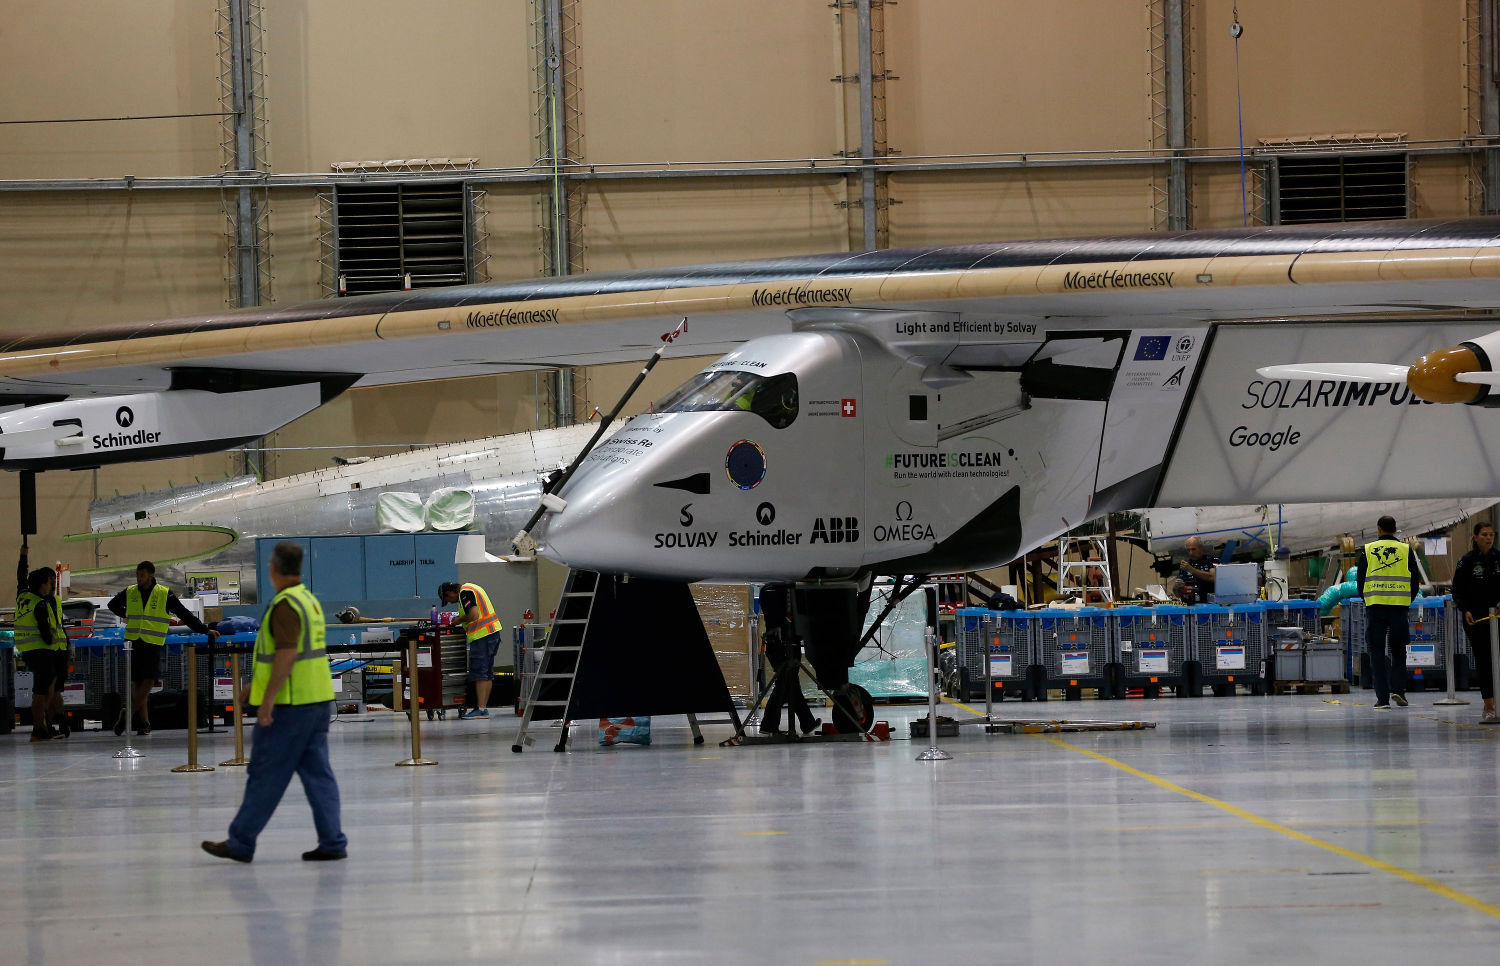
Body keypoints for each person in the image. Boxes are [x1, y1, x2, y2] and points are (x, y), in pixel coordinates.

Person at [202, 542, 345, 863]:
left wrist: (265, 702)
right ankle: (333, 841)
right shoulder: (308, 601)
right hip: (317, 701)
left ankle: (240, 842)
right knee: (318, 774)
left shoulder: (284, 605)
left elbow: (287, 655)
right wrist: (254, 687)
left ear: (273, 569)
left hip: (290, 707)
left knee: (266, 773)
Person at [106, 560, 219, 736]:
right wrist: (125, 614)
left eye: (142, 575)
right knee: (139, 684)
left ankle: (127, 715)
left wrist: (204, 630)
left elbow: (184, 614)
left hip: (152, 642)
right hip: (134, 641)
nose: (139, 578)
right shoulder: (130, 591)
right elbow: (112, 605)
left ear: (151, 575)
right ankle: (144, 723)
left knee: (149, 681)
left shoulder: (163, 594)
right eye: (137, 574)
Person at [1356, 515, 1418, 711]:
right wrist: (1406, 600)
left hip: (1375, 608)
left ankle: (1382, 699)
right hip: (1399, 608)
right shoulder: (1406, 550)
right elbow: (1414, 581)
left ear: (1379, 529)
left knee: (1376, 653)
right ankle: (1399, 690)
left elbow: (1360, 581)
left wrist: (1368, 600)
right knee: (1399, 651)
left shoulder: (1368, 550)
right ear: (1394, 529)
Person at [1453, 521, 1500, 723]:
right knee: (1484, 660)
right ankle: (1488, 705)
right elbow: (1458, 590)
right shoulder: (1467, 561)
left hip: (1497, 615)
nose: (1488, 538)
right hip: (1477, 618)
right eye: (1484, 535)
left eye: (1491, 535)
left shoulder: (1499, 558)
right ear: (1475, 537)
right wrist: (1466, 610)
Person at [15, 567, 68, 742]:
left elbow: (21, 578)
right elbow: (45, 632)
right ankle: (38, 728)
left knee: (47, 685)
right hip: (40, 649)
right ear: (42, 584)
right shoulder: (40, 603)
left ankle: (44, 725)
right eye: (48, 581)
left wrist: (23, 557)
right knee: (41, 689)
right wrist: (52, 640)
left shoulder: (23, 596)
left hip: (29, 649)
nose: (50, 585)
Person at [439, 580, 504, 719]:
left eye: (448, 599)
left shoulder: (465, 593)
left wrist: (459, 620)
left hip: (483, 636)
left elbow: (473, 615)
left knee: (480, 673)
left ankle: (481, 710)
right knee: (487, 673)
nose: (450, 602)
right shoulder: (472, 587)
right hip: (491, 633)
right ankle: (483, 708)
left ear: (450, 592)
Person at [1175, 537, 1217, 603]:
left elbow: (1214, 577)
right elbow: (1177, 594)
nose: (1191, 553)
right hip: (1190, 606)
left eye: (1193, 549)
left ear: (1201, 548)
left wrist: (1192, 570)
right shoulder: (1185, 565)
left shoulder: (1211, 560)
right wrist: (1176, 587)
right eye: (1188, 550)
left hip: (1209, 605)